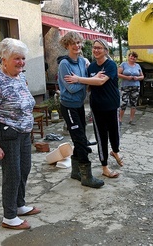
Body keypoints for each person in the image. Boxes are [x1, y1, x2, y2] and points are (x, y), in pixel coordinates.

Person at [0, 38, 40, 230]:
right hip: (7, 132)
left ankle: (20, 205)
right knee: (12, 174)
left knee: (24, 169)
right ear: (4, 59)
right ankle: (9, 216)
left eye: (23, 58)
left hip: (23, 131)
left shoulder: (19, 76)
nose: (21, 62)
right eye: (16, 58)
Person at [65, 38, 123, 178]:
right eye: (94, 48)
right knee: (101, 137)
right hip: (97, 107)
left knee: (115, 132)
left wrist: (78, 79)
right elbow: (90, 85)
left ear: (105, 51)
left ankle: (115, 150)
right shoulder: (90, 67)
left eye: (99, 48)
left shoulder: (111, 65)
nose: (96, 50)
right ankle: (105, 167)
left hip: (112, 105)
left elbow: (101, 81)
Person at [57, 31, 104, 188]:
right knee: (81, 140)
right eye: (73, 43)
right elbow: (70, 88)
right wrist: (87, 81)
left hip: (79, 105)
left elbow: (90, 79)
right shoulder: (65, 64)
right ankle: (86, 176)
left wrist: (82, 79)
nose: (76, 46)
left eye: (78, 43)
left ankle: (75, 171)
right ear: (67, 45)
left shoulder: (83, 61)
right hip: (68, 106)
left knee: (80, 137)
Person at [118, 51, 144, 125]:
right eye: (131, 56)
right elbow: (117, 74)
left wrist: (137, 78)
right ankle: (120, 120)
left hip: (135, 86)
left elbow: (142, 76)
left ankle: (131, 120)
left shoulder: (137, 66)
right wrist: (127, 77)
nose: (133, 58)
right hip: (125, 86)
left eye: (134, 57)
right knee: (123, 103)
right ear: (128, 57)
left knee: (133, 103)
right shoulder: (123, 64)